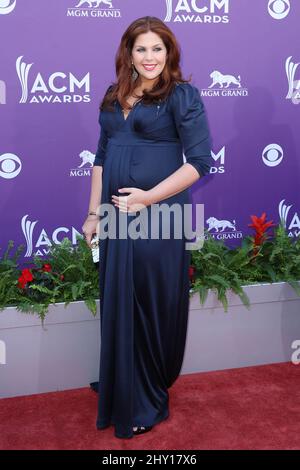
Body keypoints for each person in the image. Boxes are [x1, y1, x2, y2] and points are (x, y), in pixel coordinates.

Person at [82, 16, 213, 439]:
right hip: (115, 215)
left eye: (158, 48)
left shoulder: (181, 96)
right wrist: (93, 213)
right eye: (142, 49)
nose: (150, 57)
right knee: (119, 297)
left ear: (170, 52)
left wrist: (146, 198)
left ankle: (149, 398)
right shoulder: (113, 93)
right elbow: (101, 157)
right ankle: (123, 384)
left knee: (150, 303)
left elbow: (199, 163)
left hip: (159, 217)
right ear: (129, 53)